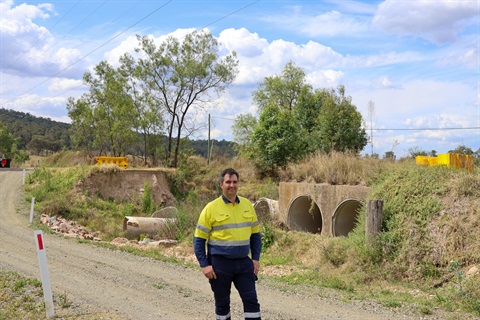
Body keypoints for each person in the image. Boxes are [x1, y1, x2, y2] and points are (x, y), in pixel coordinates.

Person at [194, 168, 262, 320]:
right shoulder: (210, 208)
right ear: (221, 184)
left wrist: (255, 259)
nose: (232, 185)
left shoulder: (247, 205)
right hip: (220, 264)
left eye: (235, 182)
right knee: (222, 304)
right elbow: (199, 240)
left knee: (252, 302)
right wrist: (204, 265)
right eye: (228, 182)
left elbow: (255, 235)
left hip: (244, 263)